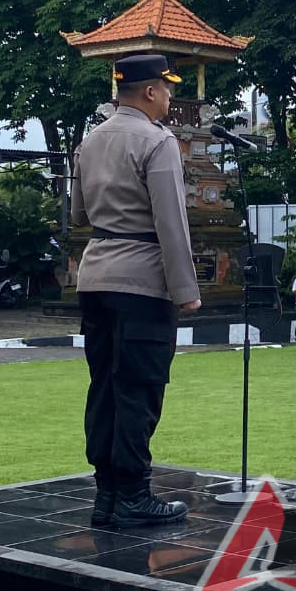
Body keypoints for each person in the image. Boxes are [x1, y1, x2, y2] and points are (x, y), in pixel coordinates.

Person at [70, 53, 199, 527]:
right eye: (167, 87)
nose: (170, 95)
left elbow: (79, 215)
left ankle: (106, 496)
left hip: (95, 275)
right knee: (139, 387)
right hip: (142, 280)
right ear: (149, 90)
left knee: (104, 386)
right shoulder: (157, 141)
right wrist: (185, 290)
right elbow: (171, 223)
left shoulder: (89, 141)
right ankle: (133, 495)